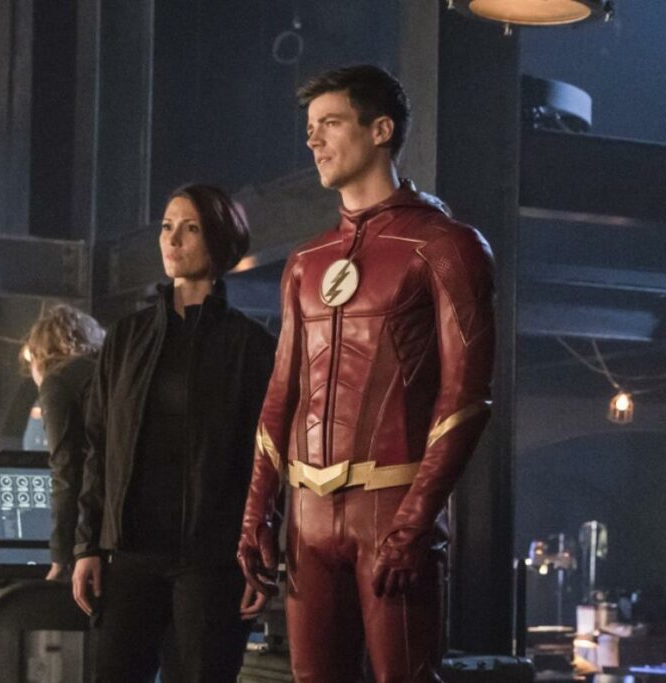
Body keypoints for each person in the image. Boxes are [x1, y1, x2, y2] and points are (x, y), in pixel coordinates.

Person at [238, 65, 495, 682]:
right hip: (306, 514)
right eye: (309, 127)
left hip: (392, 504)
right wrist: (256, 513)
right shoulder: (305, 261)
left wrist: (414, 520)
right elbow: (281, 393)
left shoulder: (447, 246)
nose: (313, 140)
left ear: (381, 130)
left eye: (329, 123)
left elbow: (465, 397)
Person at [71, 183, 277, 682]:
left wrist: (262, 554)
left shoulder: (251, 346)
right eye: (167, 227)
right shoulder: (127, 337)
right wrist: (87, 545)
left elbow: (269, 461)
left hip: (211, 559)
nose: (172, 239)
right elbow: (98, 445)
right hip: (132, 551)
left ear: (219, 240)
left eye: (190, 228)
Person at [24, 304, 105, 580]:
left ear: (39, 354)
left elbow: (66, 471)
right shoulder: (107, 371)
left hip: (96, 536)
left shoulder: (58, 380)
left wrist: (60, 557)